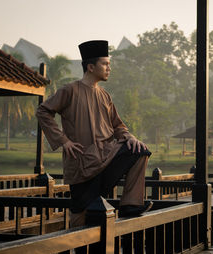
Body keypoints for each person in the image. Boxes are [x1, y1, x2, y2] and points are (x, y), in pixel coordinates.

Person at [36, 40, 152, 227]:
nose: (109, 68)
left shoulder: (105, 95)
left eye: (109, 64)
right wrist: (63, 141)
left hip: (106, 157)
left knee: (140, 151)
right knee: (80, 211)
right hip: (82, 161)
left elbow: (118, 126)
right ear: (90, 67)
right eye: (105, 64)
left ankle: (130, 204)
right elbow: (43, 111)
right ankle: (75, 251)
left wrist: (129, 137)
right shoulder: (70, 90)